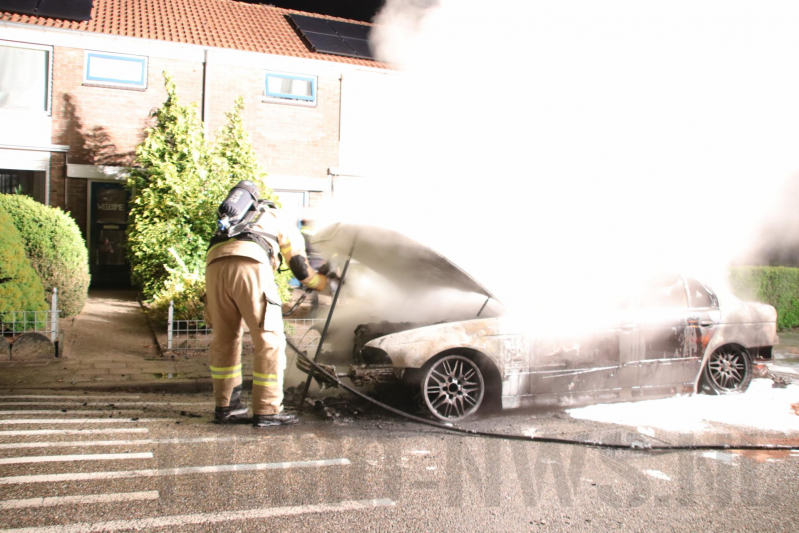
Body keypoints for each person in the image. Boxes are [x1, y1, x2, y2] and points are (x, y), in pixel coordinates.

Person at [204, 182, 328, 427]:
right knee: (269, 340)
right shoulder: (274, 215)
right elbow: (300, 268)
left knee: (225, 339)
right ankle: (268, 410)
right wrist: (320, 283)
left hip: (213, 266)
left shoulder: (232, 222)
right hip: (250, 265)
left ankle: (226, 407)